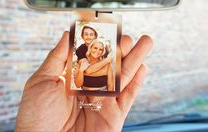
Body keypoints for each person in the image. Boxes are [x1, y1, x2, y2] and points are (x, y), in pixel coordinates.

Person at [15, 31, 153, 131]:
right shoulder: (82, 62)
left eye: (100, 49)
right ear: (90, 49)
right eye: (95, 47)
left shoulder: (109, 66)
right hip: (79, 98)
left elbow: (110, 84)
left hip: (101, 100)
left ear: (103, 51)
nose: (97, 51)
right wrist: (84, 69)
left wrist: (106, 64)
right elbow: (79, 84)